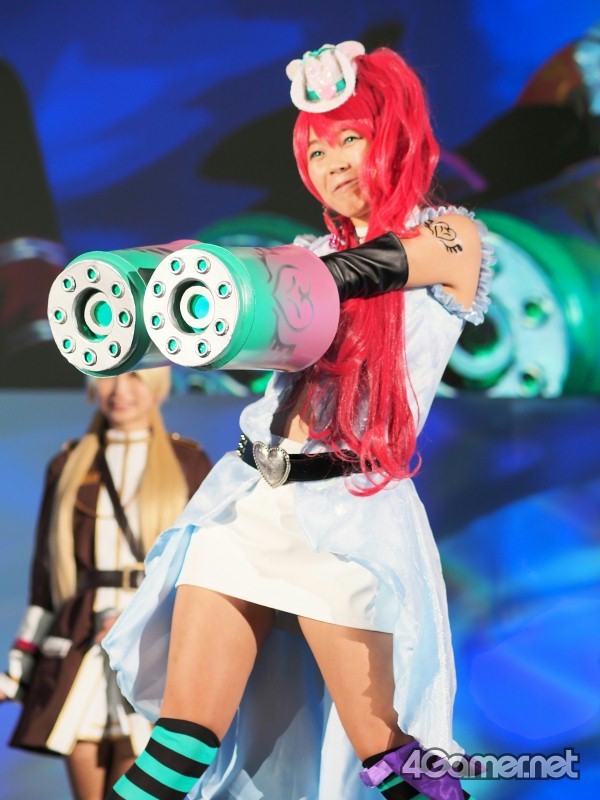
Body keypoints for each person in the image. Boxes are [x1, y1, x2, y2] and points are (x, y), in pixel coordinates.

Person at [104, 42, 494, 800]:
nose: (333, 162)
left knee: (390, 756)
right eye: (316, 150)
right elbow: (248, 310)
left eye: (350, 137)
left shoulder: (451, 237)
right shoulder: (306, 252)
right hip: (249, 501)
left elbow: (366, 271)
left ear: (395, 135)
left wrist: (256, 283)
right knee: (177, 745)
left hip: (349, 517)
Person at [0, 367, 211, 800]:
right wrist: (16, 672)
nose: (119, 391)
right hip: (82, 651)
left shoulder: (188, 463)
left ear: (157, 385)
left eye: (135, 377)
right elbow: (45, 583)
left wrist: (138, 623)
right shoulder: (67, 464)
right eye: (108, 377)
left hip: (150, 648)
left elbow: (204, 574)